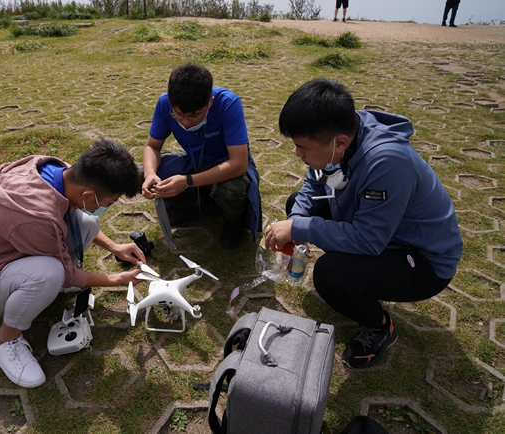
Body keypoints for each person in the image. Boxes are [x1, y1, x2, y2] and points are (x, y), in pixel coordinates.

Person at [265, 78, 462, 369]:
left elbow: (368, 241)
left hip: (423, 260)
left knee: (331, 274)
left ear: (339, 142)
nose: (297, 154)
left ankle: (380, 328)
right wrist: (295, 221)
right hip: (383, 234)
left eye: (302, 147)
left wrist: (299, 229)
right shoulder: (342, 137)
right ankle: (357, 275)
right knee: (297, 206)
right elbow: (313, 186)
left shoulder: (388, 162)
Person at [0, 139, 145, 387]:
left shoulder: (59, 172)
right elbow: (63, 272)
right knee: (49, 274)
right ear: (88, 194)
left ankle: (38, 292)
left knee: (87, 222)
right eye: (107, 203)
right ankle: (5, 341)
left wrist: (114, 247)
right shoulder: (37, 215)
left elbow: (69, 217)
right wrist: (116, 280)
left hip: (10, 258)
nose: (106, 208)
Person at [141, 63, 262, 250]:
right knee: (144, 173)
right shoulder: (164, 103)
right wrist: (150, 174)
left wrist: (188, 181)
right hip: (195, 163)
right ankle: (198, 205)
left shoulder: (228, 104)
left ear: (210, 102)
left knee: (233, 189)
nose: (186, 122)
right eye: (179, 115)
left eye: (195, 115)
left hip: (227, 167)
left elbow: (238, 163)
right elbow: (152, 146)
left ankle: (232, 221)